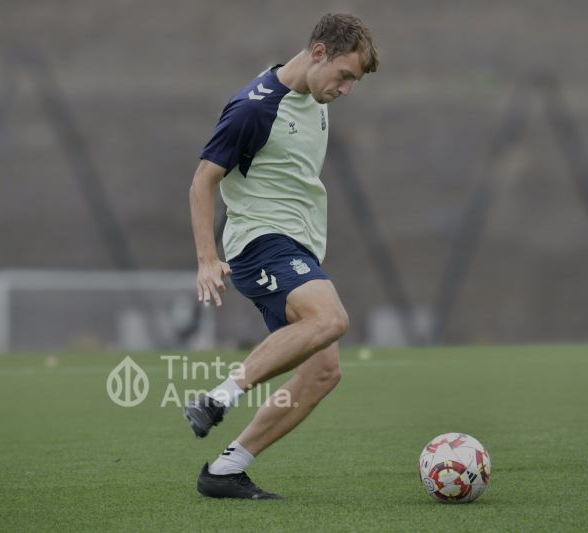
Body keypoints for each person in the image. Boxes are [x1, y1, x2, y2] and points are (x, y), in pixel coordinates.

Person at [183, 13, 379, 500]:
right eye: (345, 76)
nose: (346, 89)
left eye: (353, 80)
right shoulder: (253, 108)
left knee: (324, 371)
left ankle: (227, 470)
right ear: (317, 52)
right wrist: (207, 260)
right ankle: (217, 398)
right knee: (332, 318)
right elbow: (202, 181)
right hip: (259, 243)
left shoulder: (315, 96)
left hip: (298, 246)